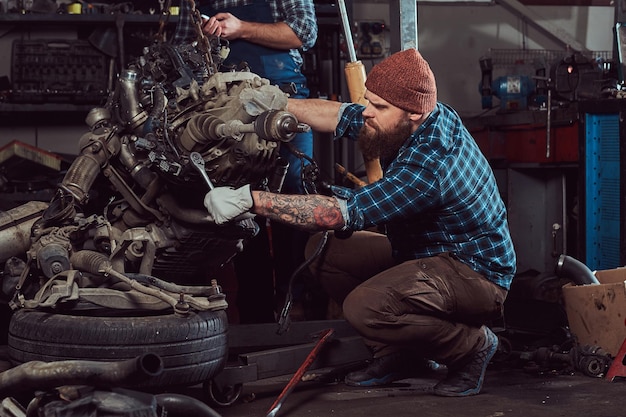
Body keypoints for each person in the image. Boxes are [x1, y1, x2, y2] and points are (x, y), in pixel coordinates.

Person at [203, 48, 517, 397]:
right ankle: (397, 353)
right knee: (325, 251)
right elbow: (341, 115)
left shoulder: (432, 165)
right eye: (370, 100)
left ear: (413, 114)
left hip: (474, 274)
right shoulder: (411, 116)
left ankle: (472, 347)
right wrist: (275, 105)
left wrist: (252, 199)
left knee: (364, 306)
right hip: (428, 252)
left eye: (378, 107)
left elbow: (341, 214)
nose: (367, 111)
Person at [198, 0, 319, 322]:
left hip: (285, 103)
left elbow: (304, 33)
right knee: (237, 204)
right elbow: (182, 48)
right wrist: (205, 35)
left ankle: (296, 300)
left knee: (293, 194)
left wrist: (240, 28)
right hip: (225, 109)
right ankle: (255, 311)